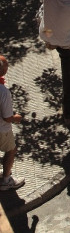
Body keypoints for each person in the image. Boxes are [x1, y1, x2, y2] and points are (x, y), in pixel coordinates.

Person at [0, 55, 24, 191]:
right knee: (11, 150)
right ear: (4, 71)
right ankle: (6, 180)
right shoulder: (3, 92)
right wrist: (17, 117)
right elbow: (7, 117)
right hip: (2, 129)